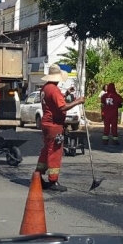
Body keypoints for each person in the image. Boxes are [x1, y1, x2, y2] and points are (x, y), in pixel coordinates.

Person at [35, 64, 85, 192]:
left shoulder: (45, 88)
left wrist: (67, 93)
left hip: (46, 123)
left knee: (47, 150)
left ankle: (38, 175)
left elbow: (54, 102)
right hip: (54, 125)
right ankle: (53, 180)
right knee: (55, 152)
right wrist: (77, 101)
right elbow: (62, 107)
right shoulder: (54, 89)